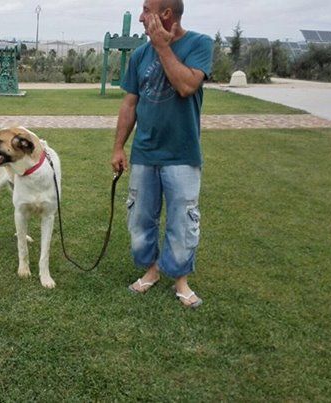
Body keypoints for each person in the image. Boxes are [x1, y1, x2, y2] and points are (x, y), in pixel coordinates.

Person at [111, 0, 213, 308]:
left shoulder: (199, 44)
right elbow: (130, 104)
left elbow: (186, 86)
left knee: (182, 220)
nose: (141, 17)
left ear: (166, 14)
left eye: (146, 10)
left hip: (182, 153)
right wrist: (118, 147)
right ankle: (152, 270)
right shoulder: (140, 55)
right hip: (144, 153)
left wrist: (162, 47)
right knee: (140, 218)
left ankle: (180, 280)